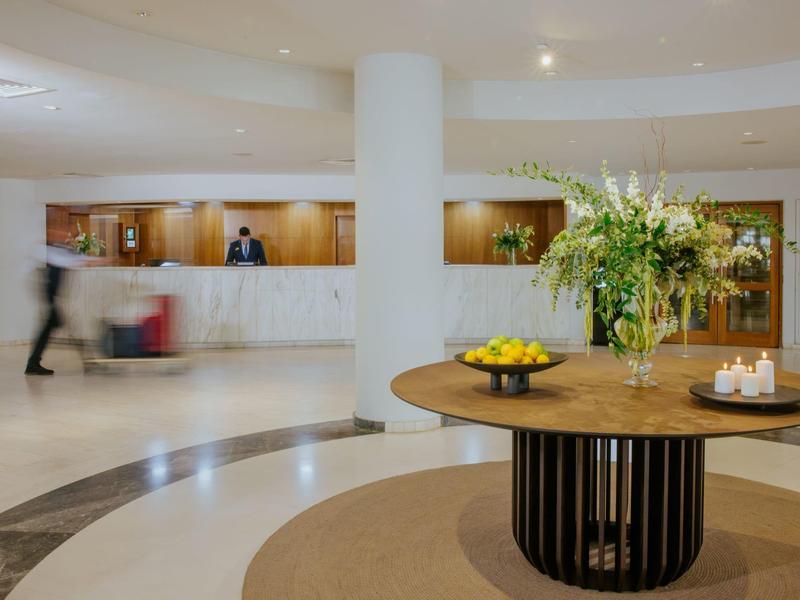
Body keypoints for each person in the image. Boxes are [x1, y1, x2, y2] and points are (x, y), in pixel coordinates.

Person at [25, 228, 87, 375]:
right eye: (59, 233)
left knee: (51, 327)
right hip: (49, 297)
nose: (64, 234)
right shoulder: (51, 251)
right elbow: (69, 260)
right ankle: (88, 360)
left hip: (51, 297)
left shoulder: (57, 251)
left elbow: (74, 260)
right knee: (56, 326)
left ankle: (33, 363)